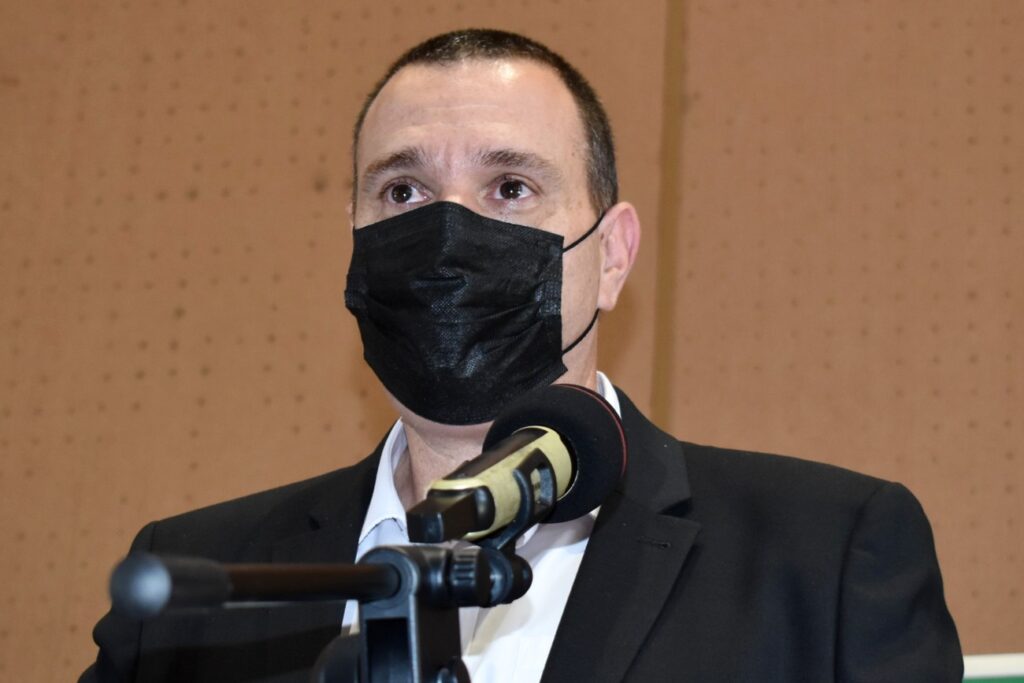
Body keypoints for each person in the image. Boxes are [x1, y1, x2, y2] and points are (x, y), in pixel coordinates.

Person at [82, 28, 963, 682]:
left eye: (510, 187)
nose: (445, 230)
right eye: (402, 189)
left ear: (612, 256)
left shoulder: (826, 557)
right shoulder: (196, 587)